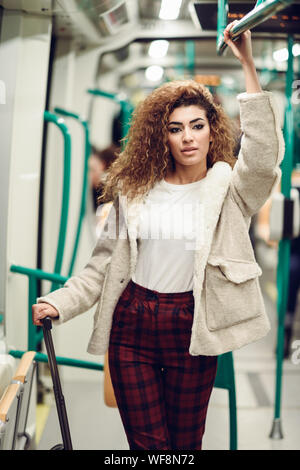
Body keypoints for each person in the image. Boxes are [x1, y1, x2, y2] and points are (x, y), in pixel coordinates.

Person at [32, 22, 284, 450]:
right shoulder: (135, 192)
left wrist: (248, 67)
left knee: (184, 447)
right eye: (175, 128)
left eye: (197, 125)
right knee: (149, 447)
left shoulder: (229, 189)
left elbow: (261, 159)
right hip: (132, 325)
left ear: (212, 130)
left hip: (191, 326)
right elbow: (101, 267)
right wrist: (60, 301)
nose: (187, 137)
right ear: (161, 136)